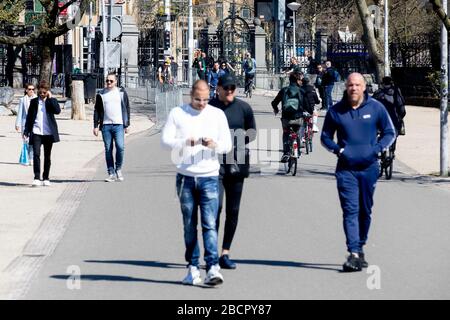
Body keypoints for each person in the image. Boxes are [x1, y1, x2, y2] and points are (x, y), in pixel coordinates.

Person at [320, 73, 396, 272]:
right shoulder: (336, 111)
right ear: (346, 87)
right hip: (346, 170)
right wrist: (339, 150)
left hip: (369, 168)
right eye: (350, 85)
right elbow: (325, 137)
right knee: (350, 210)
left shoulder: (376, 108)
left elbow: (390, 132)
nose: (353, 88)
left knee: (365, 210)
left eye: (357, 85)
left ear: (364, 87)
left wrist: (377, 149)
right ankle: (353, 252)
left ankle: (360, 246)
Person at [161, 80, 232, 286]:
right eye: (197, 99)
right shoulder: (178, 113)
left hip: (209, 175)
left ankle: (212, 267)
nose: (202, 103)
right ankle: (192, 268)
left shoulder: (217, 115)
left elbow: (227, 145)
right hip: (185, 177)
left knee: (209, 224)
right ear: (190, 95)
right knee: (189, 225)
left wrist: (214, 145)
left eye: (205, 99)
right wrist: (185, 141)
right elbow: (165, 141)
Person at [209, 74, 256, 270]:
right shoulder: (209, 107)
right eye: (226, 87)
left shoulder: (243, 108)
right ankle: (211, 253)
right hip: (213, 164)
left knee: (233, 211)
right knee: (216, 208)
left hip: (237, 163)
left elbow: (252, 131)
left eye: (233, 88)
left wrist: (237, 141)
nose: (230, 91)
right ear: (218, 88)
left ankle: (225, 253)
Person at [93, 73, 131, 182]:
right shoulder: (101, 94)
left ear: (116, 82)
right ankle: (111, 173)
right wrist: (95, 126)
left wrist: (127, 124)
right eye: (107, 81)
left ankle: (118, 168)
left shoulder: (121, 93)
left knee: (120, 147)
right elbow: (97, 110)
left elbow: (127, 108)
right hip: (106, 125)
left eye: (111, 81)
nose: (109, 83)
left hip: (119, 125)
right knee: (108, 149)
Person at [23, 80, 61, 187]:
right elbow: (29, 118)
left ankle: (46, 177)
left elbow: (57, 111)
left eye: (44, 93)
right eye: (40, 92)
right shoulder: (34, 102)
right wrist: (26, 131)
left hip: (48, 133)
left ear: (47, 92)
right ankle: (36, 177)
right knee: (36, 154)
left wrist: (51, 98)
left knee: (47, 156)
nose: (42, 95)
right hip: (36, 132)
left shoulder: (50, 101)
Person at [271, 72, 312, 162]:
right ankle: (298, 151)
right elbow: (308, 105)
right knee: (297, 131)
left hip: (286, 118)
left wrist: (276, 109)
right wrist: (309, 112)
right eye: (300, 80)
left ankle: (286, 153)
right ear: (297, 80)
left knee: (286, 133)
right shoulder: (301, 91)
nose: (301, 81)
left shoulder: (284, 90)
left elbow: (274, 102)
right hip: (298, 117)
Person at [16, 83, 37, 165]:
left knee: (33, 141)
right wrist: (17, 124)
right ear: (26, 90)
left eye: (33, 89)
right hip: (25, 124)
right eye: (29, 89)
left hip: (35, 124)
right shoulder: (22, 100)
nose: (31, 91)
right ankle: (27, 157)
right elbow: (20, 113)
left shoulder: (37, 99)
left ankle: (31, 158)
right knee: (26, 141)